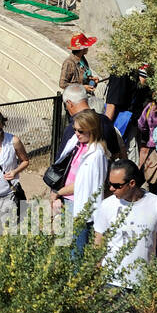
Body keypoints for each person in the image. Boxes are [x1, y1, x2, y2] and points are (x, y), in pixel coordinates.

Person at [50, 109, 111, 257]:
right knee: (62, 248)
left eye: (81, 131)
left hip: (77, 206)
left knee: (75, 253)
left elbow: (82, 185)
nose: (77, 134)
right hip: (67, 201)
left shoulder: (96, 155)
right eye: (75, 130)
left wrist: (58, 193)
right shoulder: (77, 144)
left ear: (92, 130)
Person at [93, 159, 157, 287]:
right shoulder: (106, 205)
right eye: (109, 184)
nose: (111, 189)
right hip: (112, 282)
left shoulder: (156, 204)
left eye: (117, 185)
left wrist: (156, 275)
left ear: (132, 183)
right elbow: (98, 243)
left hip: (144, 284)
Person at [57, 84, 122, 160]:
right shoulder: (105, 120)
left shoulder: (73, 129)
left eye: (66, 105)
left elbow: (60, 160)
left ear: (69, 103)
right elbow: (115, 153)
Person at [137, 93, 157, 193]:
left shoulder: (150, 107)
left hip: (153, 150)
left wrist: (149, 133)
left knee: (152, 179)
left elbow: (141, 124)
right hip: (155, 149)